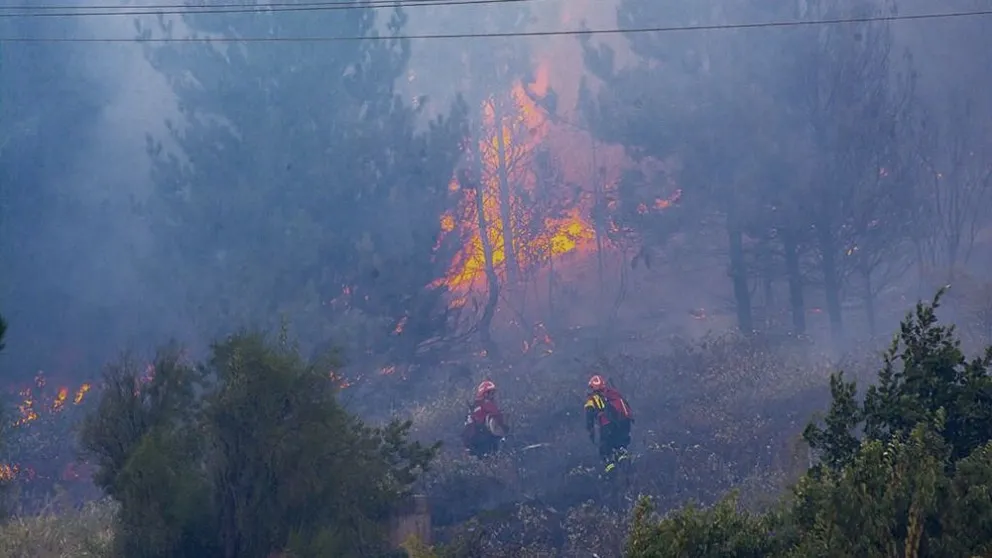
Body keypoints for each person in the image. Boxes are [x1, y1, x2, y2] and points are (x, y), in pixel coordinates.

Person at [584, 374, 633, 474]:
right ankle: (624, 461)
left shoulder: (592, 399)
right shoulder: (613, 393)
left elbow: (589, 416)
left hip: (607, 425)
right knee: (620, 445)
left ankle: (610, 470)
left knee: (605, 450)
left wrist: (590, 431)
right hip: (624, 423)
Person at [461, 380, 509, 458]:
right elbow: (497, 418)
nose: (493, 396)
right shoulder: (487, 404)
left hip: (473, 445)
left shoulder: (475, 407)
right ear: (485, 394)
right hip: (486, 441)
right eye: (491, 393)